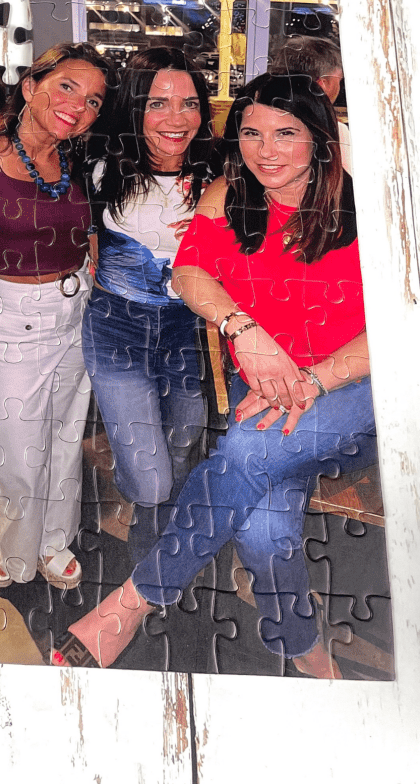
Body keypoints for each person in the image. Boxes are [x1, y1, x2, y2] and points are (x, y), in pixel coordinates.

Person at [64, 74, 374, 678]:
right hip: (261, 391)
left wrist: (314, 380)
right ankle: (302, 645)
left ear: (320, 137)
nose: (266, 150)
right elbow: (188, 273)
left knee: (246, 449)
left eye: (286, 133)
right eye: (252, 133)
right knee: (261, 534)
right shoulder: (230, 194)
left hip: (354, 392)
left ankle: (136, 598)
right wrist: (243, 329)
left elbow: (399, 327)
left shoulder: (370, 208)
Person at [0, 42, 114, 590]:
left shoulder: (81, 156)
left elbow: (88, 229)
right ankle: (8, 543)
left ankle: (54, 540)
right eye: (67, 87)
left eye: (93, 100)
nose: (79, 106)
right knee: (14, 442)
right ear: (31, 86)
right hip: (9, 311)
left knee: (64, 434)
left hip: (75, 305)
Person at [82, 48, 213, 568]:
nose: (176, 118)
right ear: (135, 107)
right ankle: (147, 562)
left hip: (187, 333)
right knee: (152, 477)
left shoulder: (222, 175)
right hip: (117, 331)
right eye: (158, 103)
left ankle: (163, 543)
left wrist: (217, 229)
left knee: (183, 444)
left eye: (189, 103)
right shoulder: (99, 168)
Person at [268, 34, 351, 171]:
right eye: (339, 80)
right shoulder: (334, 132)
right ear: (324, 84)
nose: (340, 87)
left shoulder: (253, 121)